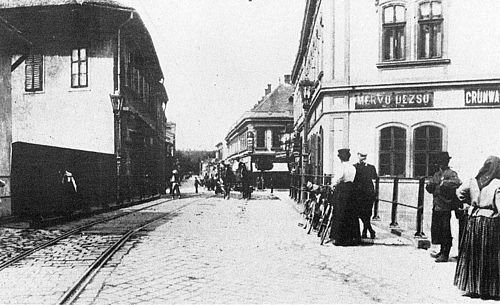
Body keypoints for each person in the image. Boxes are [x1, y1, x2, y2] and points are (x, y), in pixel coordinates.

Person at [454, 156, 500, 299]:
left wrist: (469, 203)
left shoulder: (473, 181)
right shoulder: (497, 184)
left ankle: (473, 288)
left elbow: (459, 192)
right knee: (489, 256)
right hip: (490, 222)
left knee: (474, 254)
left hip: (474, 220)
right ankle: (488, 290)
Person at [425, 152, 461, 263]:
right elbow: (430, 186)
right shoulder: (436, 174)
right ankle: (441, 251)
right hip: (436, 205)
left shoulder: (451, 173)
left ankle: (445, 254)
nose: (441, 164)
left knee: (445, 230)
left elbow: (457, 182)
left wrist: (443, 184)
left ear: (447, 162)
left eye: (443, 161)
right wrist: (430, 186)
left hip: (446, 206)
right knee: (437, 229)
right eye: (440, 162)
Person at [329, 148, 359, 246]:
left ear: (341, 158)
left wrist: (333, 184)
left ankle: (340, 238)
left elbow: (339, 178)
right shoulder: (353, 168)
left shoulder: (341, 167)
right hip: (351, 191)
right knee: (351, 214)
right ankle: (352, 238)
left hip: (342, 191)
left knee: (340, 213)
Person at [353, 151, 378, 239]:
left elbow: (375, 177)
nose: (363, 158)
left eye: (364, 156)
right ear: (358, 155)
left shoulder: (371, 167)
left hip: (368, 194)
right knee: (360, 213)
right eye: (361, 156)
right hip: (358, 194)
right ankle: (370, 230)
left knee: (367, 213)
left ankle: (365, 231)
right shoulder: (354, 167)